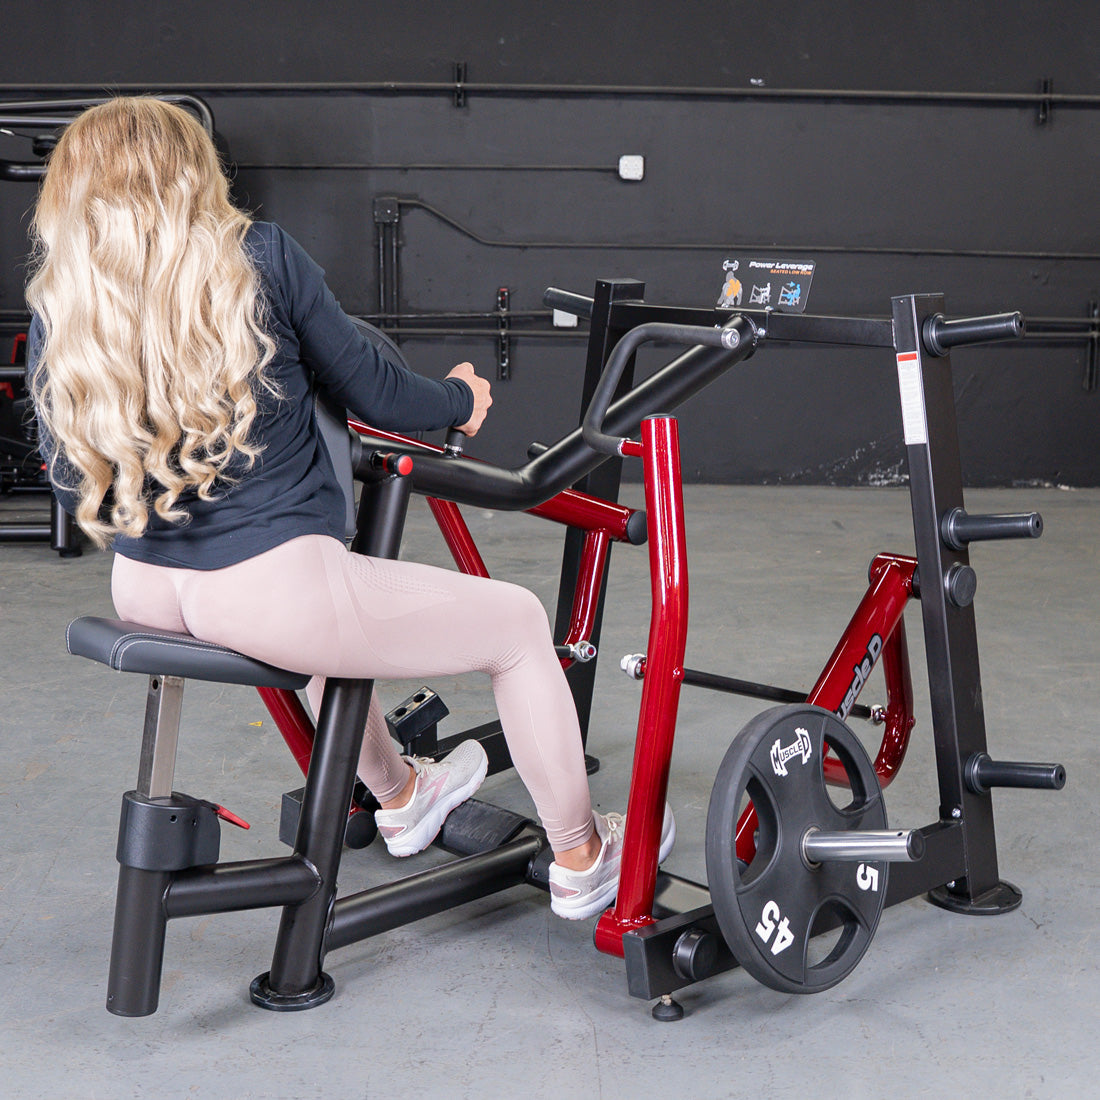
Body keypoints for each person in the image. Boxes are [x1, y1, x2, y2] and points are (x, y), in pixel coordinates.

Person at [27, 97, 673, 920]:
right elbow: (377, 391)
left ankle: (402, 796)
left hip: (146, 588)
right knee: (516, 625)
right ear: (191, 174)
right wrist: (459, 399)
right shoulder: (258, 258)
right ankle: (584, 856)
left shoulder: (67, 303)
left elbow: (67, 482)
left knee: (325, 636)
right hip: (271, 592)